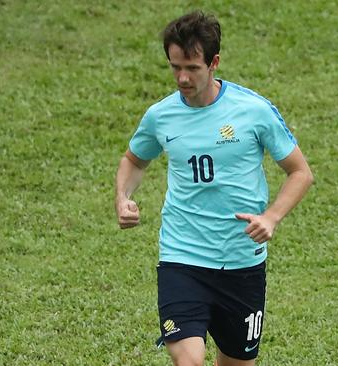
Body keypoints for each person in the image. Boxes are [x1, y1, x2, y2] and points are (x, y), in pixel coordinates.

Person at [115, 10, 313, 366]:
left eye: (192, 67)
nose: (182, 78)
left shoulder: (253, 111)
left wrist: (272, 217)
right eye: (175, 67)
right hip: (182, 258)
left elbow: (300, 172)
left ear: (214, 62)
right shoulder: (161, 116)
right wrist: (123, 197)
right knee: (188, 361)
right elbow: (134, 160)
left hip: (241, 263)